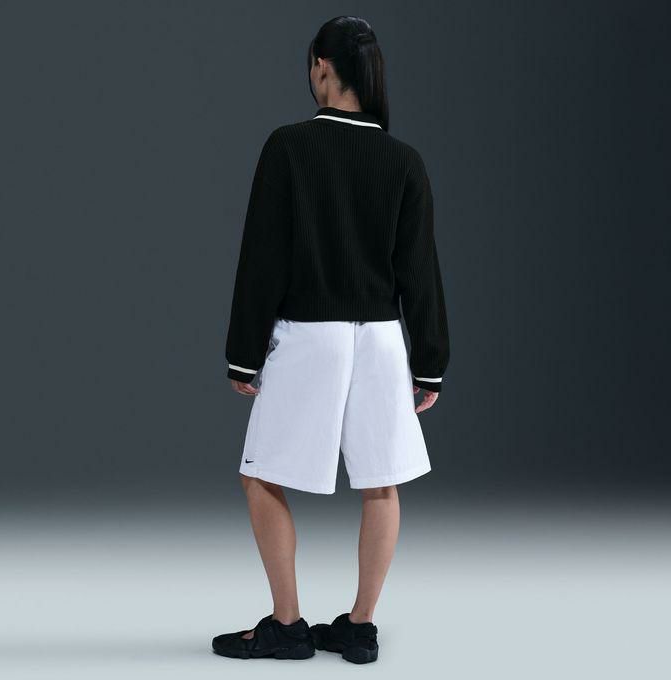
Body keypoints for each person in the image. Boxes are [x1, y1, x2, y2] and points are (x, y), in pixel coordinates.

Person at [212, 15, 450, 664]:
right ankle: (360, 626)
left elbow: (263, 259)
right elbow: (419, 272)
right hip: (381, 341)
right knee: (382, 483)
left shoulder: (288, 147)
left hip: (309, 337)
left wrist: (243, 352)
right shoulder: (404, 161)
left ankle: (287, 625)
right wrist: (429, 364)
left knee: (260, 476)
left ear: (321, 66)